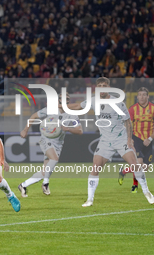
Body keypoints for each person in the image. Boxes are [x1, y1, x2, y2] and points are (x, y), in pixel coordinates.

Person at [65, 77, 154, 207]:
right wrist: (62, 106)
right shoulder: (94, 100)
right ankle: (90, 199)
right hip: (105, 141)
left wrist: (129, 140)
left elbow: (128, 121)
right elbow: (78, 106)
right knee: (95, 167)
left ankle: (147, 193)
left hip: (121, 138)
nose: (102, 87)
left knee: (135, 165)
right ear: (96, 88)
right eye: (100, 85)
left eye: (104, 85)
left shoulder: (117, 103)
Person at [18, 93, 83, 197]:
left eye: (67, 100)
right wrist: (25, 129)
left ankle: (23, 185)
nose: (65, 102)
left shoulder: (72, 115)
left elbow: (80, 131)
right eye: (62, 99)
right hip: (46, 139)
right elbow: (34, 116)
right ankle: (45, 183)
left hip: (58, 143)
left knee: (45, 171)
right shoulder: (50, 109)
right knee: (54, 159)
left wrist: (68, 129)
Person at [118, 87, 154, 193]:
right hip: (136, 138)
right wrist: (129, 138)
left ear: (148, 96)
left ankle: (124, 172)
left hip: (149, 139)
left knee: (145, 167)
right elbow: (127, 124)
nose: (142, 97)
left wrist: (150, 138)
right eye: (140, 95)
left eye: (144, 95)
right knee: (138, 162)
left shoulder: (153, 108)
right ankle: (135, 185)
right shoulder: (132, 108)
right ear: (137, 97)